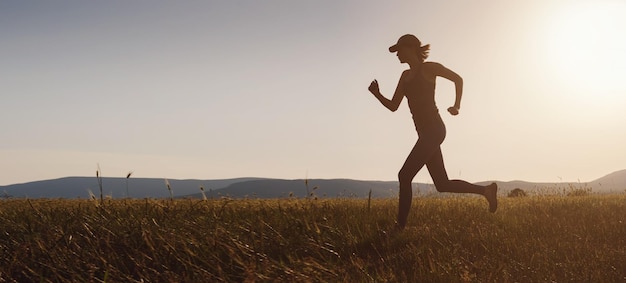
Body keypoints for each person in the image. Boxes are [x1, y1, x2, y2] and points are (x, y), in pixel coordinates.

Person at [368, 34, 498, 229]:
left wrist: (456, 105)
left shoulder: (429, 69)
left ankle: (399, 228)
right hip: (425, 134)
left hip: (435, 130)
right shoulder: (404, 77)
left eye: (399, 50)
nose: (397, 55)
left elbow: (458, 79)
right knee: (442, 184)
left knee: (404, 175)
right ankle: (486, 191)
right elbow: (394, 106)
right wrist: (377, 94)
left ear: (411, 48)